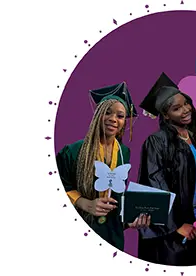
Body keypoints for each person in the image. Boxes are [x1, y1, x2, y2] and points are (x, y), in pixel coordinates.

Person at [56, 82, 150, 251]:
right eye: (107, 112)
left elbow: (118, 194)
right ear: (97, 115)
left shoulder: (124, 153)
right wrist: (84, 203)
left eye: (120, 116)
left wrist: (129, 219)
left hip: (112, 235)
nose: (113, 119)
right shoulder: (73, 151)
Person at [136, 72, 196, 266]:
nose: (186, 110)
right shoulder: (157, 141)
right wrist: (176, 226)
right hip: (173, 229)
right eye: (177, 108)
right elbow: (155, 183)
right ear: (165, 115)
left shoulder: (192, 137)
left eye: (186, 103)